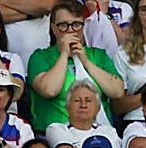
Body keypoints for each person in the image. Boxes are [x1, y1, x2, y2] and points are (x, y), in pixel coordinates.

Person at [26, 0, 124, 134]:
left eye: (76, 25)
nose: (70, 30)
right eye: (63, 25)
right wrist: (65, 54)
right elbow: (49, 90)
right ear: (54, 27)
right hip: (54, 132)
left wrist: (86, 61)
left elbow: (117, 92)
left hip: (98, 132)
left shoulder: (99, 55)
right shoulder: (40, 56)